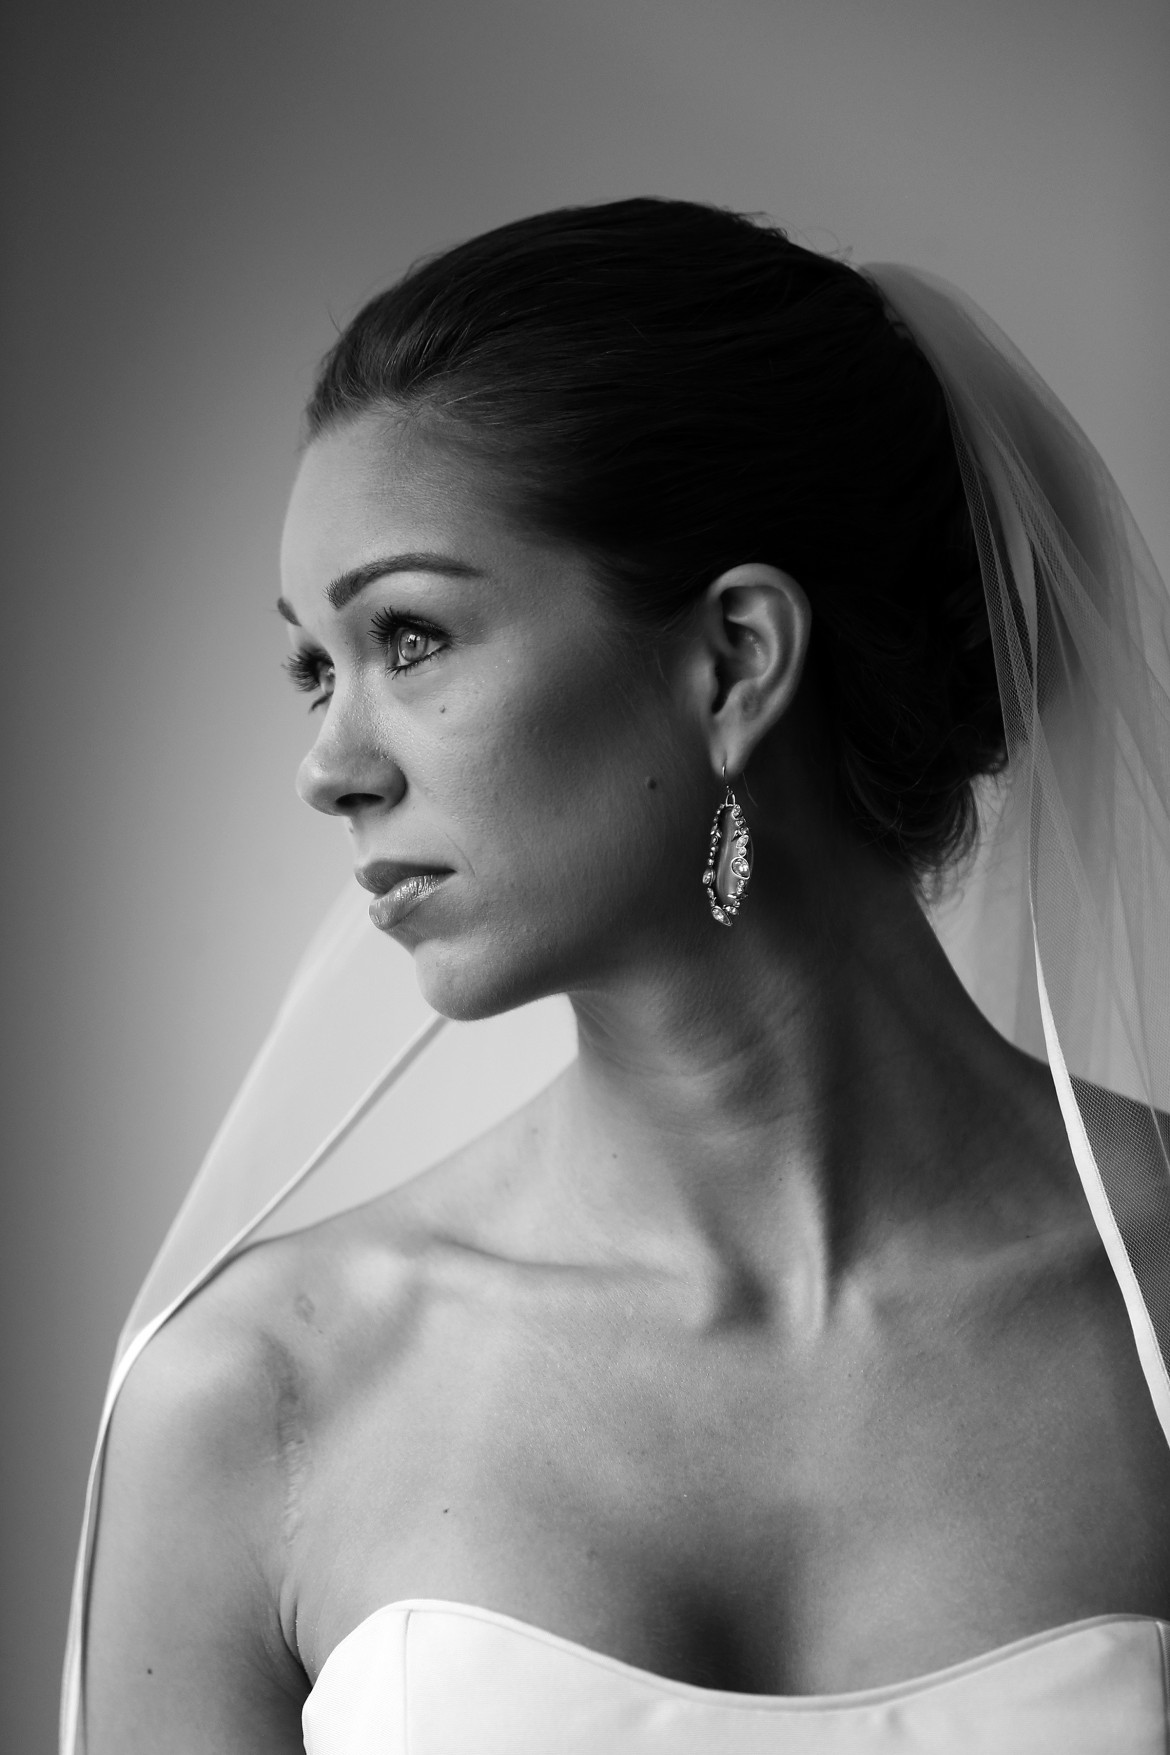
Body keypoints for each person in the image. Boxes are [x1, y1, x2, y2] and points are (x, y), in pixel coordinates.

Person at [69, 198, 1170, 1753]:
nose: (330, 767)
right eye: (315, 667)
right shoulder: (253, 1397)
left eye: (409, 637)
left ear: (733, 658)